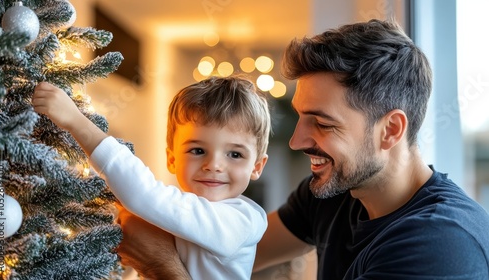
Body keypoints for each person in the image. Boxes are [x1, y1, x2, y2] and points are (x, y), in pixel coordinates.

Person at [113, 19, 489, 279]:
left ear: (390, 130)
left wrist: (163, 267)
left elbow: (179, 260)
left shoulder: (440, 245)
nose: (295, 141)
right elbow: (219, 251)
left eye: (322, 123)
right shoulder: (333, 193)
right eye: (299, 118)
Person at [32, 76, 271, 280]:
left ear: (257, 166)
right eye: (198, 150)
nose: (214, 165)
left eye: (235, 154)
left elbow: (143, 194)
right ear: (172, 158)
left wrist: (76, 121)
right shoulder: (179, 211)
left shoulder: (242, 220)